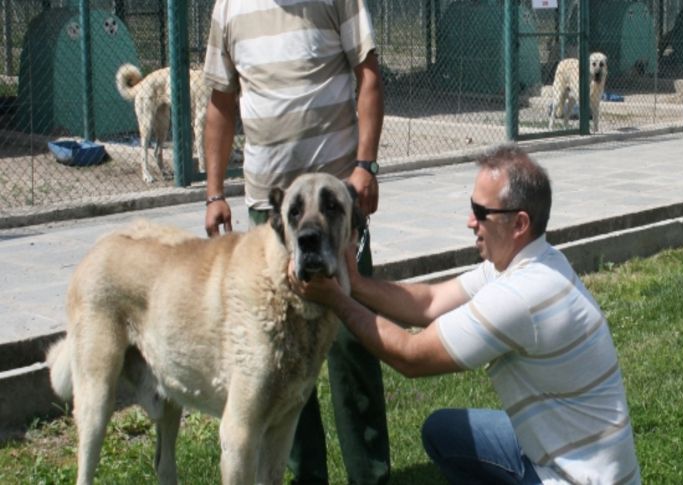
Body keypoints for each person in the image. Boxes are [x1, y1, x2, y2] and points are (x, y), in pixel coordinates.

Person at [291, 145, 642, 484]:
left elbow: (411, 357)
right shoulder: (527, 262)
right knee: (444, 432)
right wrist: (357, 283)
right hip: (569, 457)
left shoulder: (522, 296)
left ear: (519, 223)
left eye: (480, 210)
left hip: (579, 478)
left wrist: (336, 298)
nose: (470, 221)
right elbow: (428, 302)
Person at [201, 0, 390, 483]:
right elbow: (221, 100)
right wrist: (215, 193)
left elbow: (368, 74)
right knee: (279, 358)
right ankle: (305, 477)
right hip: (271, 215)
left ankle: (369, 475)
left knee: (351, 343)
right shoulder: (228, 8)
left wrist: (364, 166)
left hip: (333, 211)